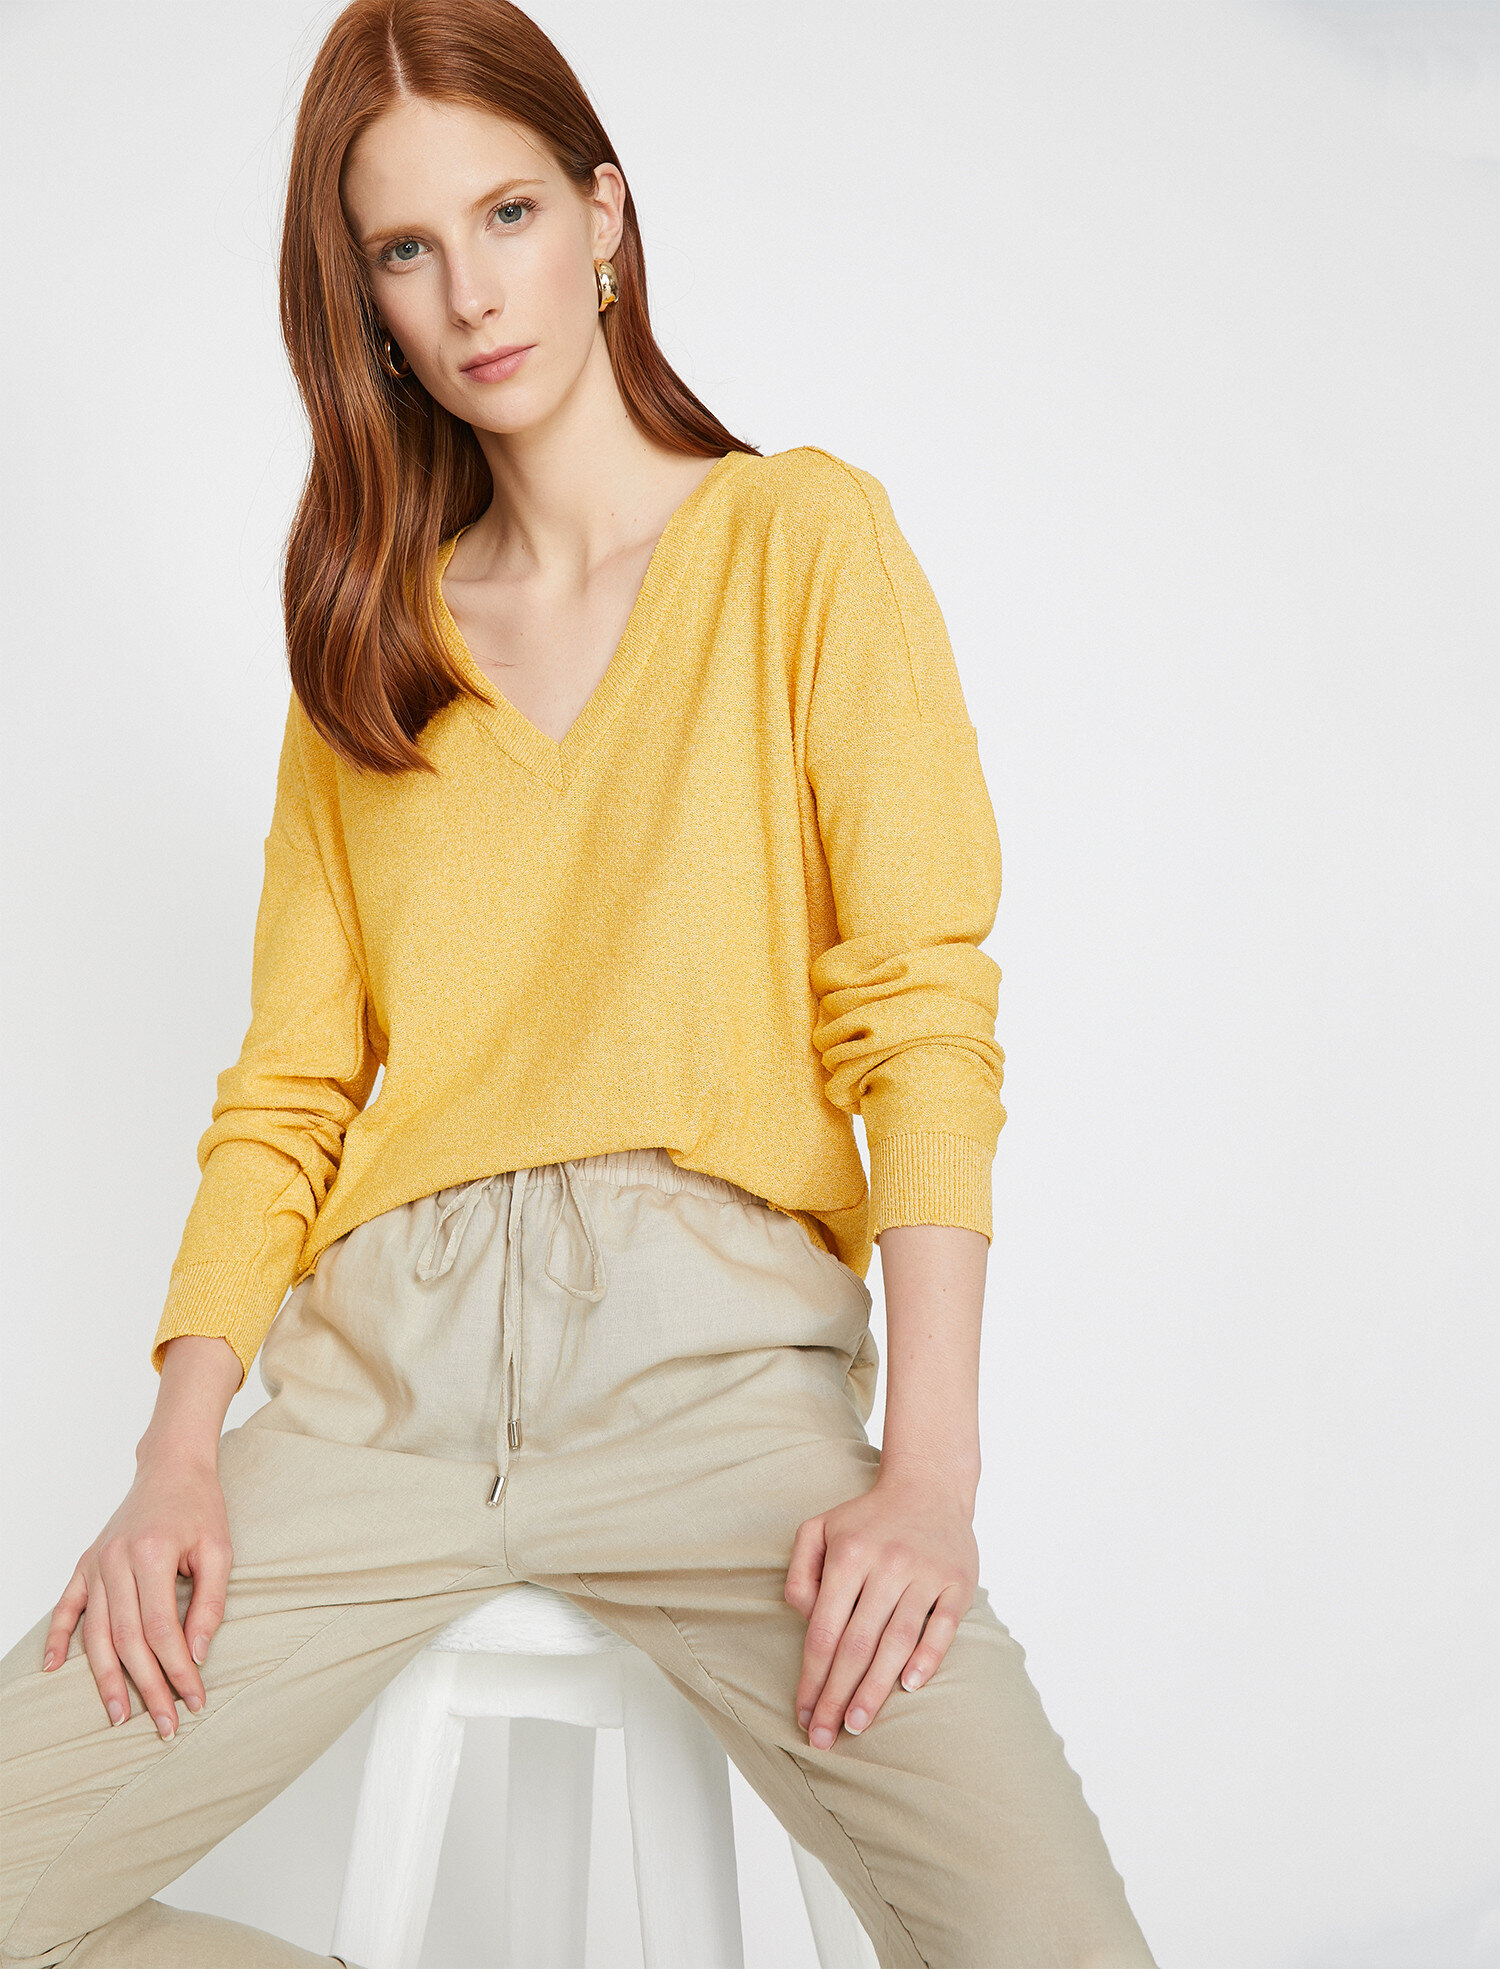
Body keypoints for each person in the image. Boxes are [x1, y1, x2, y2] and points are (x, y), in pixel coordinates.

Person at [0, 3, 1159, 1964]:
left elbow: (919, 1010)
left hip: (715, 1393)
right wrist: (175, 1453)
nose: (471, 292)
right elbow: (289, 1091)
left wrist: (929, 1474)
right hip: (374, 1402)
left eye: (510, 212)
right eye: (406, 247)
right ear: (367, 304)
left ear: (604, 216)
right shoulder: (367, 649)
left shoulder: (800, 544)